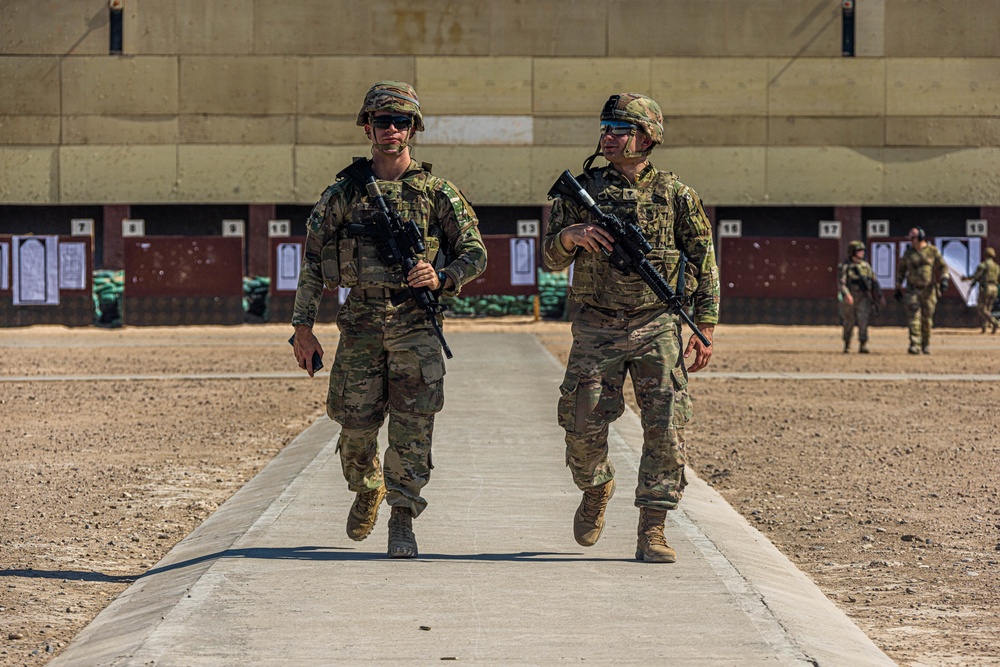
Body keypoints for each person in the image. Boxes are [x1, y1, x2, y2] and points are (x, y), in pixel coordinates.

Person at [291, 81, 487, 558]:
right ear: (368, 127)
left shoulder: (438, 192)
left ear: (413, 129)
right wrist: (302, 327)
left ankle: (402, 517)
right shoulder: (342, 194)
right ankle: (366, 487)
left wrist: (440, 277)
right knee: (354, 426)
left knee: (412, 427)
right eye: (383, 122)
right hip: (359, 322)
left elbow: (476, 253)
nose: (392, 130)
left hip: (415, 322)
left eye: (401, 122)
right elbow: (314, 261)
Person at [542, 93, 719, 564]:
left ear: (646, 137)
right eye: (605, 126)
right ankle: (596, 487)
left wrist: (704, 324)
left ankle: (653, 529)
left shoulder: (675, 194)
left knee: (667, 429)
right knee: (581, 424)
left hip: (657, 324)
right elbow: (550, 256)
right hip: (596, 325)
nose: (608, 135)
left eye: (619, 128)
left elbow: (704, 258)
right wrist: (570, 236)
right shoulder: (580, 190)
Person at [894, 227, 948, 354]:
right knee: (913, 318)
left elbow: (942, 267)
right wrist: (897, 287)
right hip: (912, 289)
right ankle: (915, 344)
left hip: (929, 290)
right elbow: (901, 270)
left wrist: (944, 280)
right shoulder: (908, 253)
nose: (911, 241)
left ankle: (926, 344)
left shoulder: (932, 251)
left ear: (921, 237)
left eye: (913, 238)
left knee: (927, 319)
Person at [838, 240, 885, 353]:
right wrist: (847, 294)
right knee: (849, 321)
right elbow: (841, 283)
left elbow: (874, 281)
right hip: (851, 296)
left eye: (862, 251)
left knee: (863, 320)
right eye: (859, 251)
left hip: (863, 297)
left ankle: (863, 343)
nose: (861, 253)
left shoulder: (866, 266)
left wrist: (880, 296)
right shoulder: (845, 266)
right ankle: (847, 343)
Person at [962, 247, 1000, 334]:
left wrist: (966, 279)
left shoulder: (983, 265)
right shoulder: (997, 267)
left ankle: (994, 323)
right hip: (994, 288)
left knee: (981, 308)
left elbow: (976, 276)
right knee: (988, 308)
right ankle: (985, 327)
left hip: (986, 288)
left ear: (985, 255)